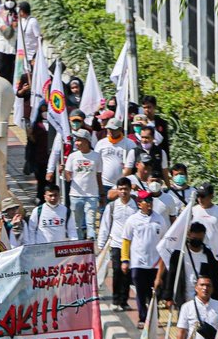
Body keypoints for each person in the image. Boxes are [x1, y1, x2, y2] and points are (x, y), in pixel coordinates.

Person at [121, 190, 168, 327]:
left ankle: (154, 317)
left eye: (150, 201)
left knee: (154, 292)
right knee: (141, 293)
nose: (149, 203)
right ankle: (142, 318)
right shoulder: (132, 220)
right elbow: (126, 240)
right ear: (139, 204)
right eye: (146, 201)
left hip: (155, 263)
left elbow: (164, 240)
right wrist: (125, 260)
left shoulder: (159, 219)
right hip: (138, 263)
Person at [97, 177, 137, 311]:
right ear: (117, 190)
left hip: (132, 245)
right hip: (116, 243)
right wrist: (101, 245)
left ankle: (124, 301)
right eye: (121, 189)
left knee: (127, 273)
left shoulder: (136, 206)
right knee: (117, 271)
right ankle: (115, 300)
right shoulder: (112, 206)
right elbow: (105, 225)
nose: (123, 192)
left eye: (126, 189)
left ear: (130, 190)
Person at [162, 221, 218, 307]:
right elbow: (171, 275)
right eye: (195, 238)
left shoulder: (209, 255)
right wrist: (168, 297)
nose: (197, 241)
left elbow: (214, 279)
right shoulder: (179, 254)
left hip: (204, 299)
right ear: (189, 235)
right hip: (184, 298)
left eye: (199, 239)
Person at [64, 129, 103, 239]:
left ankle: (90, 244)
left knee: (91, 223)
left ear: (87, 141)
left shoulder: (96, 156)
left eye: (79, 140)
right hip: (76, 195)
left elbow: (98, 176)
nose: (76, 143)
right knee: (77, 225)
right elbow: (68, 178)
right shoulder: (73, 156)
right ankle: (80, 245)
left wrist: (101, 194)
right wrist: (64, 172)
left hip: (92, 195)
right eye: (76, 140)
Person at [190, 182, 218, 263]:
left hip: (214, 254)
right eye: (198, 195)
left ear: (211, 196)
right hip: (197, 253)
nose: (200, 199)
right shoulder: (193, 210)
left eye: (203, 196)